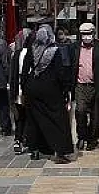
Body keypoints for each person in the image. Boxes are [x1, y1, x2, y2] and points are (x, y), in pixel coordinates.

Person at [22, 25, 74, 164]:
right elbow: (60, 72)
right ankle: (60, 151)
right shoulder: (54, 51)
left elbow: (25, 70)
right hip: (51, 89)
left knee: (34, 119)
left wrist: (24, 88)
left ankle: (35, 149)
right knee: (58, 120)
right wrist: (66, 89)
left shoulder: (32, 49)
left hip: (33, 87)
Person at [72, 23, 99, 151]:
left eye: (88, 34)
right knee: (80, 111)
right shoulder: (74, 47)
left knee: (96, 116)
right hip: (80, 85)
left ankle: (92, 139)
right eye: (83, 34)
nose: (86, 37)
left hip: (97, 86)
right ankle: (81, 136)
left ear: (94, 33)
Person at [9, 29, 33, 154]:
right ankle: (27, 140)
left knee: (20, 116)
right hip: (28, 89)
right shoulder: (33, 53)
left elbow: (12, 74)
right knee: (28, 115)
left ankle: (18, 139)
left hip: (18, 89)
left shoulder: (16, 54)